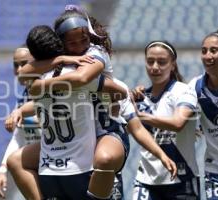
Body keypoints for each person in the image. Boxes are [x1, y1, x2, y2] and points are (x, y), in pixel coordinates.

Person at [11, 6, 176, 200]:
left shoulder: (94, 54)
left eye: (84, 39)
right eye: (72, 42)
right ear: (61, 42)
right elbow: (26, 76)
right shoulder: (62, 65)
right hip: (75, 138)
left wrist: (41, 86)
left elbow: (85, 80)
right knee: (15, 160)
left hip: (107, 130)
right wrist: (60, 62)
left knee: (104, 159)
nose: (80, 46)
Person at [131, 40, 200, 200]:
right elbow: (126, 127)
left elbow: (178, 124)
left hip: (182, 179)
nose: (155, 67)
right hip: (146, 180)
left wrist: (139, 116)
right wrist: (126, 98)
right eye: (150, 61)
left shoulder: (184, 91)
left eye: (162, 62)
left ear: (173, 65)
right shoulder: (140, 98)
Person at [189, 24, 218, 200]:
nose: (207, 56)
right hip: (217, 172)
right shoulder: (194, 87)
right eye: (204, 51)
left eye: (214, 50)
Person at [0, 46, 42, 199]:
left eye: (24, 63)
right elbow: (18, 137)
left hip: (57, 163)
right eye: (16, 65)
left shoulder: (48, 88)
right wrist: (2, 169)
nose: (19, 69)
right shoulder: (23, 98)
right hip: (36, 165)